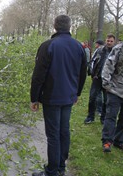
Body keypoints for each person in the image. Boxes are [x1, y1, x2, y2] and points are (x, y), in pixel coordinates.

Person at [30, 15, 87, 176]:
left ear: (55, 26)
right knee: (64, 131)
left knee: (54, 134)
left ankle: (53, 171)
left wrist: (34, 98)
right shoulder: (79, 47)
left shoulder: (48, 45)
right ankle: (61, 167)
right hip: (68, 96)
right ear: (69, 27)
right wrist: (77, 93)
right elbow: (83, 73)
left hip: (52, 97)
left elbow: (38, 76)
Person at [84, 34, 115, 124]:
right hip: (97, 78)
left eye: (111, 41)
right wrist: (92, 73)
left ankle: (103, 118)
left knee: (106, 100)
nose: (109, 42)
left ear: (114, 42)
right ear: (105, 40)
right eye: (108, 41)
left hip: (109, 80)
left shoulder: (116, 52)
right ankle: (90, 116)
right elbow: (92, 61)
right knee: (92, 97)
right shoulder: (99, 50)